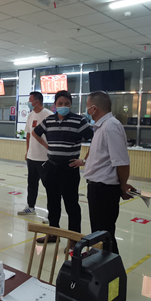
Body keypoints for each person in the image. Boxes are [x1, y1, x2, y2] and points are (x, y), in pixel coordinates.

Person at [32, 90, 93, 243]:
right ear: (55, 105)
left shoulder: (79, 121)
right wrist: (48, 146)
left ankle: (74, 239)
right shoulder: (49, 120)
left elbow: (96, 139)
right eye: (60, 103)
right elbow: (35, 133)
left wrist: (84, 160)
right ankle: (53, 234)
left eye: (66, 103)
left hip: (69, 168)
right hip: (52, 168)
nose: (63, 106)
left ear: (71, 104)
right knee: (52, 203)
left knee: (71, 204)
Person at [78, 91, 135, 255]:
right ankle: (98, 259)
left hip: (104, 190)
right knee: (99, 231)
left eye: (87, 107)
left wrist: (122, 186)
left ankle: (111, 267)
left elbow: (122, 162)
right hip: (96, 187)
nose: (87, 111)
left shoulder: (110, 126)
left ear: (94, 108)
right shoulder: (101, 126)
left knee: (105, 233)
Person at [18, 91, 52, 216]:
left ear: (37, 102)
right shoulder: (31, 115)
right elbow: (28, 134)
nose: (29, 102)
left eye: (30, 100)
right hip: (32, 157)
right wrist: (28, 151)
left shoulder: (49, 115)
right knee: (32, 184)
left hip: (45, 157)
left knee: (49, 186)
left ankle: (52, 212)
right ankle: (30, 207)